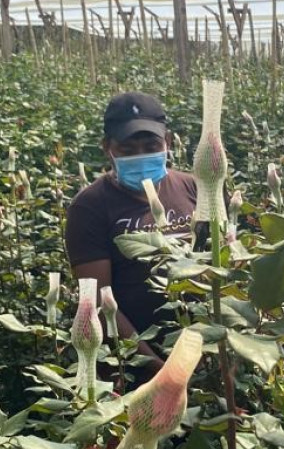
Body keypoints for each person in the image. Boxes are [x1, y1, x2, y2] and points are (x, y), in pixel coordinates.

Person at [66, 92, 197, 378]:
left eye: (151, 145)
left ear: (169, 142)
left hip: (202, 357)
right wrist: (161, 373)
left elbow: (222, 269)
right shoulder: (89, 207)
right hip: (131, 365)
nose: (141, 155)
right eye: (127, 149)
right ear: (107, 148)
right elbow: (98, 302)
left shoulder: (194, 188)